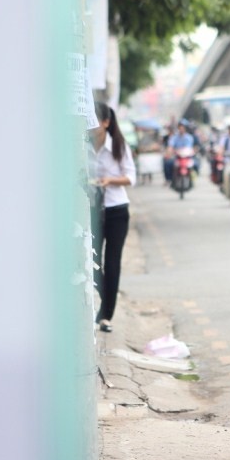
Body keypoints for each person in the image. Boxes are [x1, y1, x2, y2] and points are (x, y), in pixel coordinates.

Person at [90, 102, 137, 332]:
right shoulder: (84, 145)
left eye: (95, 121)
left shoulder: (119, 145)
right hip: (93, 210)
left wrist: (110, 180)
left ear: (106, 123)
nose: (91, 125)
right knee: (93, 262)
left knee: (112, 263)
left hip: (117, 209)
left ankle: (106, 315)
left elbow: (131, 177)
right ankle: (104, 301)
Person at [166, 119, 195, 185]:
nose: (181, 129)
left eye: (183, 127)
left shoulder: (189, 137)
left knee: (195, 165)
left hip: (186, 157)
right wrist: (170, 151)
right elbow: (170, 146)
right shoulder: (174, 137)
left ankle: (192, 180)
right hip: (177, 156)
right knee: (168, 163)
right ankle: (169, 179)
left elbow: (189, 147)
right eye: (180, 127)